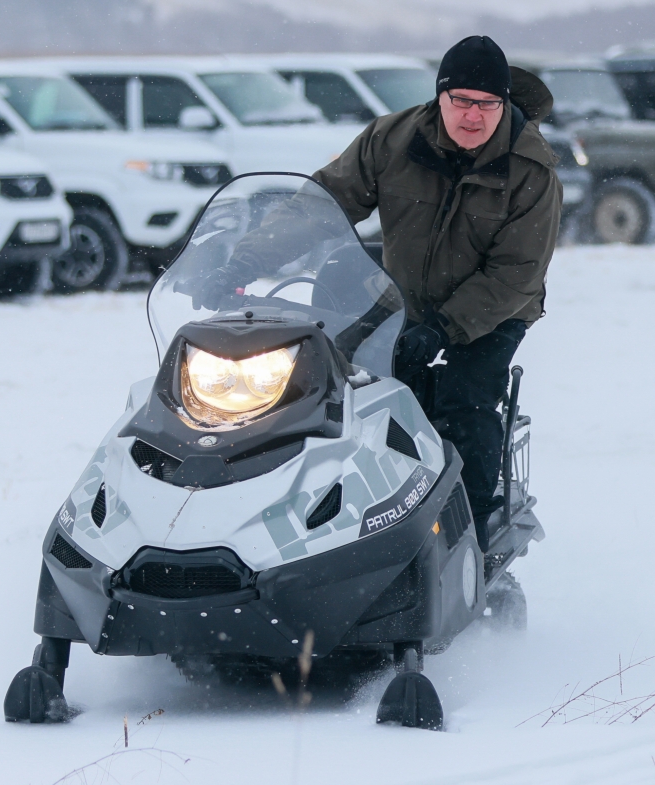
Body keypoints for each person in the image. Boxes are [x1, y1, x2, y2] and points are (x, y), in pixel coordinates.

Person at [210, 36, 562, 551]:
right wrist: (245, 260)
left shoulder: (531, 169)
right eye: (461, 100)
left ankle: (471, 537)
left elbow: (517, 273)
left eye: (488, 104)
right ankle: (316, 518)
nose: (473, 116)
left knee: (464, 399)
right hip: (404, 298)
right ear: (438, 97)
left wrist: (445, 329)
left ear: (503, 104)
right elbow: (321, 206)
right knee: (330, 386)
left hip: (492, 311)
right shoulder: (392, 140)